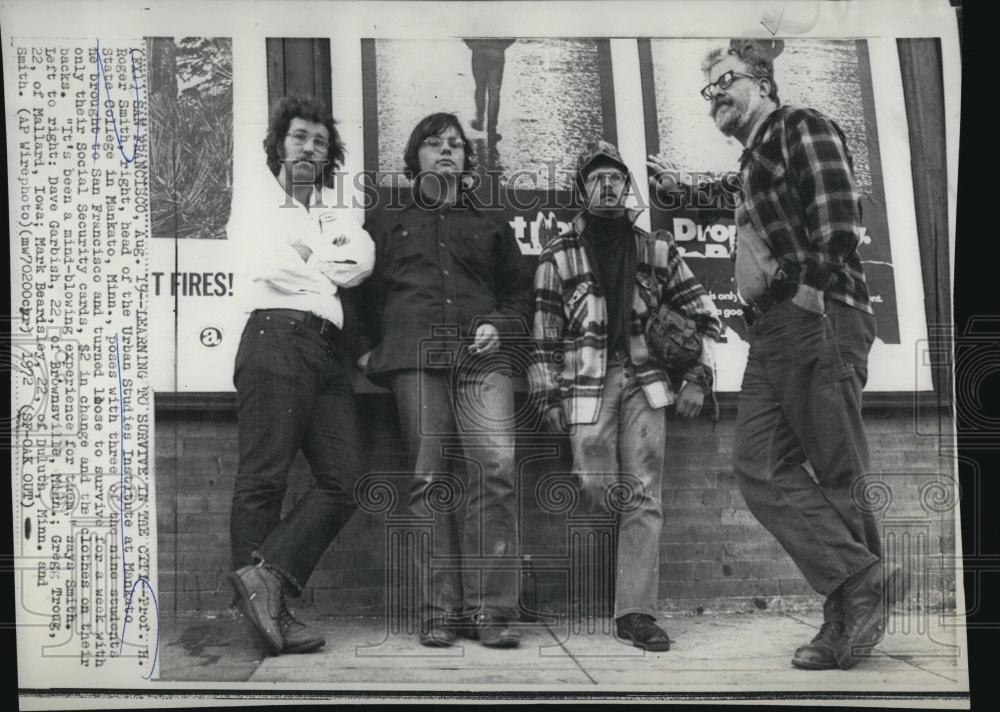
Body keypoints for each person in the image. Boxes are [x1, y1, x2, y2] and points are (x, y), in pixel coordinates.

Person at [649, 41, 899, 670]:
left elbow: (840, 215)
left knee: (837, 468)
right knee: (758, 465)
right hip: (773, 333)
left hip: (817, 316)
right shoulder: (755, 159)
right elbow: (749, 202)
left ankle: (848, 616)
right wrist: (679, 188)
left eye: (724, 82)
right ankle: (857, 583)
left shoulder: (800, 126)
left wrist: (811, 293)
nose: (716, 99)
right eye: (708, 91)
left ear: (760, 81)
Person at [531, 140, 721, 651]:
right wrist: (547, 396)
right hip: (586, 384)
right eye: (596, 178)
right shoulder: (559, 253)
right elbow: (545, 333)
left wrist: (699, 376)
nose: (608, 185)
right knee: (597, 486)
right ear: (581, 189)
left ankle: (635, 612)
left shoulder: (656, 249)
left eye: (616, 177)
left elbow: (707, 315)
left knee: (643, 495)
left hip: (645, 380)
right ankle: (617, 580)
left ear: (627, 187)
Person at [357, 112, 532, 648]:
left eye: (456, 144)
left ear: (466, 161)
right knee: (429, 479)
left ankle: (492, 611)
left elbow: (521, 296)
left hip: (483, 360)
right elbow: (359, 288)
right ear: (416, 159)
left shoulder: (492, 224)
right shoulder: (386, 221)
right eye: (434, 144)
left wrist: (498, 326)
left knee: (495, 469)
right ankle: (439, 612)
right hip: (415, 357)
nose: (447, 151)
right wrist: (365, 349)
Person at [225, 96, 375, 656]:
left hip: (326, 352)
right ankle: (268, 617)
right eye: (298, 137)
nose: (308, 147)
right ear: (278, 146)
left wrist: (308, 255)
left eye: (318, 140)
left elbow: (358, 266)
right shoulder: (258, 202)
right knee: (264, 479)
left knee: (347, 477)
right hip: (274, 338)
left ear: (328, 153)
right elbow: (268, 265)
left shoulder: (336, 217)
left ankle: (264, 579)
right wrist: (321, 267)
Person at [464, 39, 516, 142]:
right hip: (496, 53)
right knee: (494, 93)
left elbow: (466, 29)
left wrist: (473, 45)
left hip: (479, 52)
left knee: (480, 88)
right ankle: (492, 131)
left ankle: (479, 121)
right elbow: (513, 35)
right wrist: (501, 47)